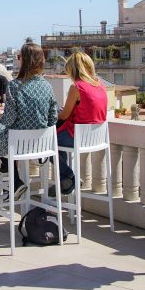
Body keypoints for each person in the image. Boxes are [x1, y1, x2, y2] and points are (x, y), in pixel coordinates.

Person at [0, 42, 61, 201]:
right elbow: (53, 117)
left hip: (19, 146)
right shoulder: (47, 86)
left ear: (24, 60)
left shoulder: (14, 86)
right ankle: (13, 179)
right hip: (41, 145)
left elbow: (9, 118)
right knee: (5, 139)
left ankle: (14, 180)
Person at [55, 50, 107, 196]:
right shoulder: (101, 85)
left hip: (78, 138)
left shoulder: (76, 87)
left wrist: (54, 113)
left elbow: (64, 115)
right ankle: (64, 183)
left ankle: (68, 177)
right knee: (58, 143)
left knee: (48, 143)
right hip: (96, 138)